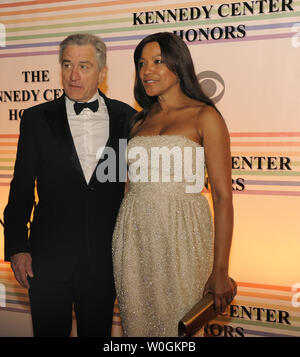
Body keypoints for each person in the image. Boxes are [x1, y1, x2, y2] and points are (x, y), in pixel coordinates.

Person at [3, 33, 136, 337]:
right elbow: (21, 187)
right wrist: (17, 247)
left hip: (104, 261)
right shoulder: (36, 118)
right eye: (67, 65)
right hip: (46, 260)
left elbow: (132, 189)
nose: (73, 75)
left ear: (102, 73)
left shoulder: (127, 118)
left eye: (84, 66)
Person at [112, 32, 235, 337]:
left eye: (157, 61)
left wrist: (220, 270)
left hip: (183, 236)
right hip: (133, 241)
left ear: (178, 65)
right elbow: (129, 186)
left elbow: (222, 197)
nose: (146, 71)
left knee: (180, 328)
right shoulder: (138, 122)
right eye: (141, 64)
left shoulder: (204, 116)